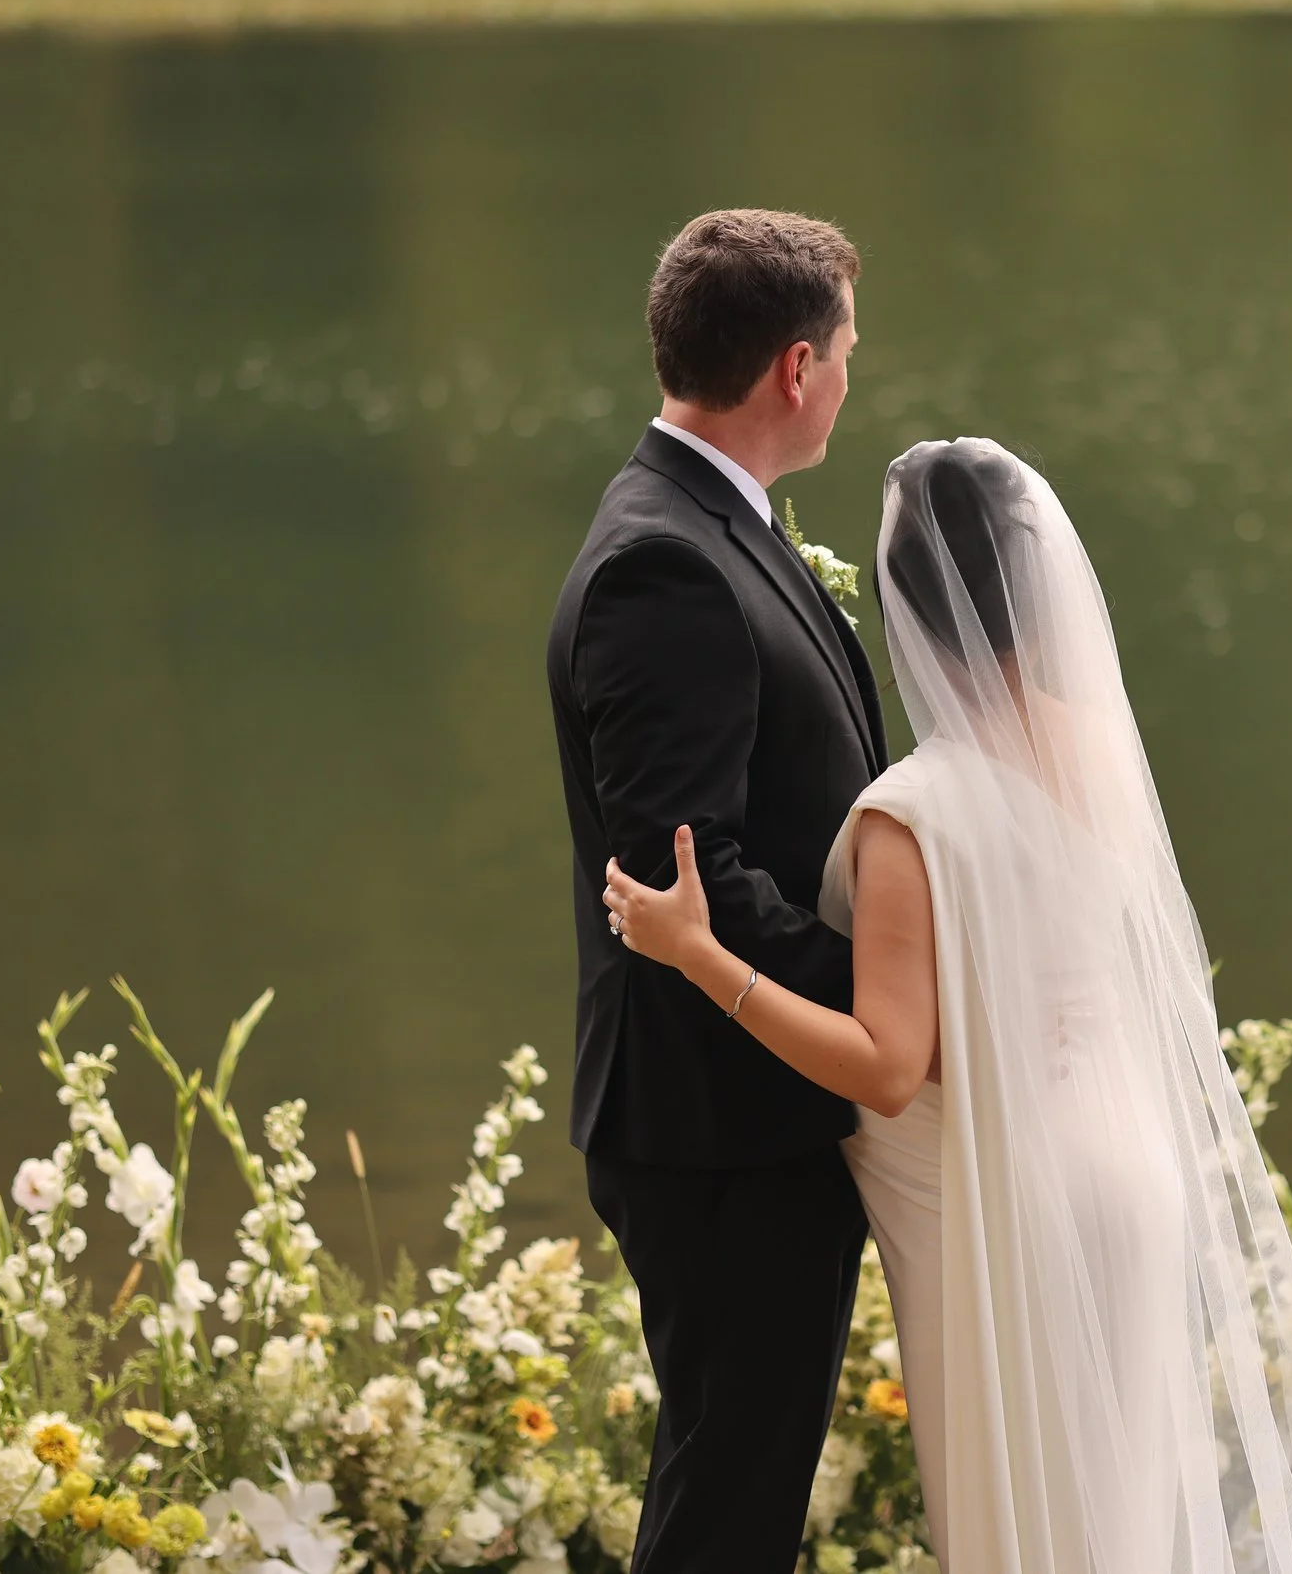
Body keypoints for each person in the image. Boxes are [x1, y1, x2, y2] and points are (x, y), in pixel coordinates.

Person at [602, 438, 1292, 1574]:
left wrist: (700, 953)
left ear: (907, 608)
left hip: (1008, 1207)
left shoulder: (914, 813)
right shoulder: (1087, 750)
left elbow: (885, 1062)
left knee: (1030, 1537)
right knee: (1123, 1531)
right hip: (1126, 1176)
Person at [543, 208, 885, 1574]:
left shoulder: (704, 521)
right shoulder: (663, 561)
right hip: (720, 1123)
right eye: (851, 349)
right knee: (729, 1497)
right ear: (795, 368)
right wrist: (891, 1015)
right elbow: (692, 872)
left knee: (740, 1478)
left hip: (747, 1105)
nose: (855, 377)